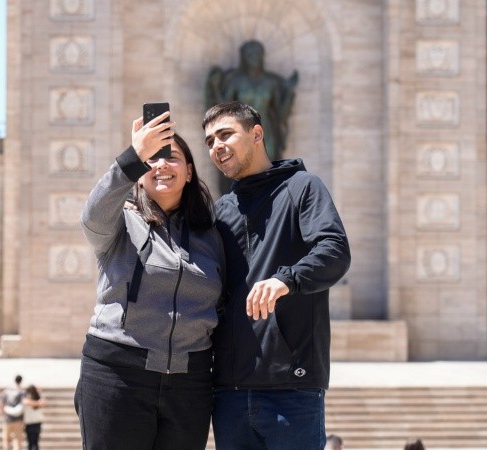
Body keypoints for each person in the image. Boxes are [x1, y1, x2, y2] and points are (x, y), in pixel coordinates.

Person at [202, 101, 351, 450]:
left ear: (256, 134)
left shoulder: (303, 188)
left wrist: (287, 279)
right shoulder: (221, 211)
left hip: (292, 390)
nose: (216, 146)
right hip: (229, 394)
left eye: (225, 134)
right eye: (209, 141)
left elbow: (334, 251)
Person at [75, 111, 225, 449]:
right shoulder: (119, 223)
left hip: (191, 383)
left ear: (189, 172)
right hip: (117, 374)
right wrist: (132, 157)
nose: (161, 165)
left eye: (171, 157)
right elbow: (92, 218)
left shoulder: (212, 236)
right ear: (139, 174)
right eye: (151, 159)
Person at [205, 40, 298, 163]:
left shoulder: (271, 83)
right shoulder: (235, 81)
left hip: (267, 133)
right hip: (240, 132)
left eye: (257, 54)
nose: (254, 58)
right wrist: (215, 88)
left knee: (268, 171)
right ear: (243, 58)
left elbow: (281, 116)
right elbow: (222, 112)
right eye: (250, 55)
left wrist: (290, 93)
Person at [0, 374, 25, 450]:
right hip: (18, 419)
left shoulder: (6, 391)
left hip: (8, 419)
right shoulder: (22, 392)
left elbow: (1, 404)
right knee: (17, 440)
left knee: (7, 440)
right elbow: (24, 404)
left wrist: (4, 415)